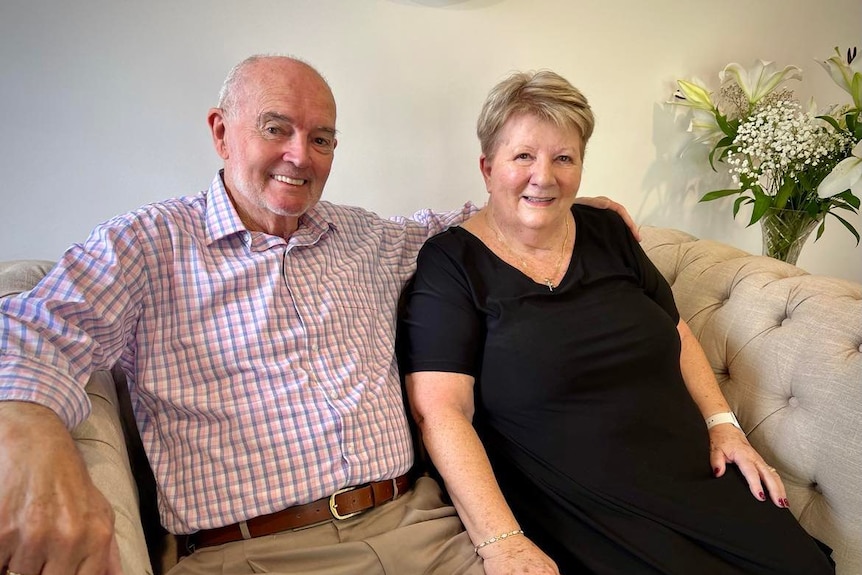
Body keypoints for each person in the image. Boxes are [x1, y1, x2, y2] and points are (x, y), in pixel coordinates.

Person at [0, 55, 637, 575]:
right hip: (251, 553)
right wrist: (30, 436)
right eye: (276, 128)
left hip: (423, 529)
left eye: (322, 138)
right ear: (222, 131)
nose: (300, 156)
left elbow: (463, 229)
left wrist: (558, 206)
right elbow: (32, 329)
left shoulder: (364, 238)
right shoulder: (149, 242)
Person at [397, 70, 836, 574]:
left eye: (564, 158)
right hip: (576, 499)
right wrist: (503, 543)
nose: (545, 176)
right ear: (487, 166)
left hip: (689, 471)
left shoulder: (608, 231)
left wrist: (724, 427)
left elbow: (677, 331)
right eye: (523, 156)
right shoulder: (452, 264)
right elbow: (441, 412)